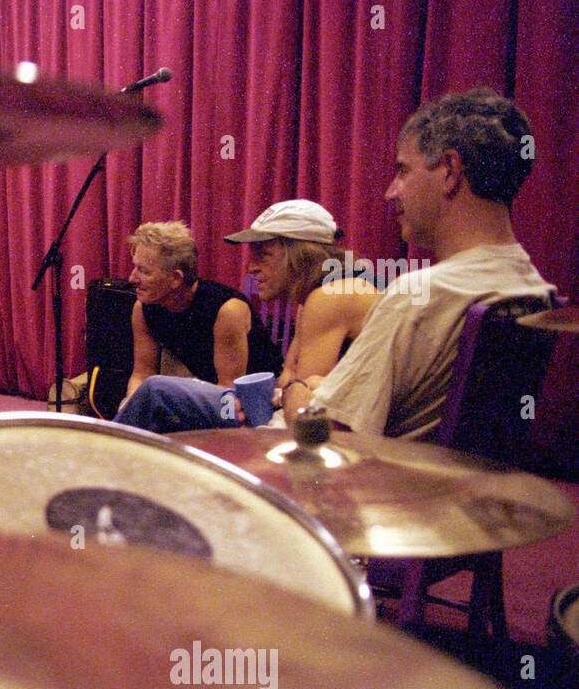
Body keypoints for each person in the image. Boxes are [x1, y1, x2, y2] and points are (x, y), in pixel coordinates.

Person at [303, 88, 554, 438]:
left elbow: (329, 435)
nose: (392, 191)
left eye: (403, 171)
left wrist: (297, 391)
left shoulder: (417, 295)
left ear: (450, 170)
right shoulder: (537, 289)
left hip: (387, 488)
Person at [113, 221, 282, 433]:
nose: (131, 278)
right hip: (210, 394)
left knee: (157, 390)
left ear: (176, 278)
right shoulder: (143, 308)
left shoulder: (226, 310)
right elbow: (142, 372)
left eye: (144, 272)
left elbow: (228, 393)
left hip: (252, 403)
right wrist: (131, 403)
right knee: (141, 402)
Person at [222, 200, 378, 426]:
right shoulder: (314, 296)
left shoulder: (332, 295)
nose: (250, 268)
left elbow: (301, 402)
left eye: (263, 255)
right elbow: (289, 376)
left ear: (302, 255)